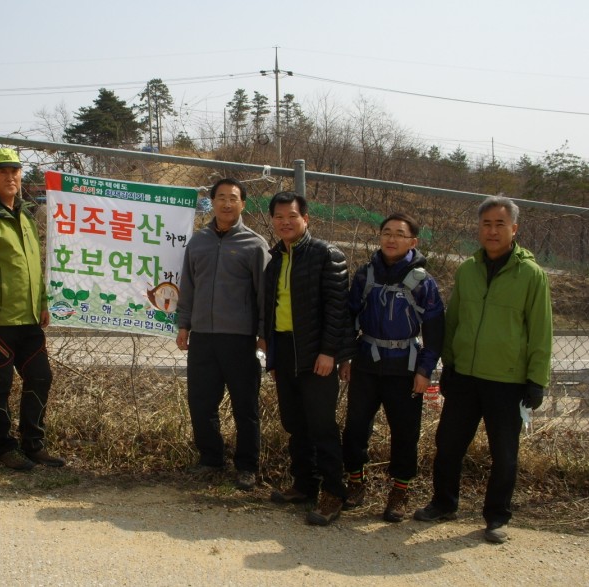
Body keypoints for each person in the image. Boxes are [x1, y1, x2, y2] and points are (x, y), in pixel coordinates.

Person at [414, 196, 553, 544]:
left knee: (503, 453)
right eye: (486, 224)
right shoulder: (468, 270)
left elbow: (541, 331)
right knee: (448, 445)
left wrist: (536, 380)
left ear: (514, 229)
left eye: (499, 224)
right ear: (478, 228)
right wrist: (449, 364)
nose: (492, 231)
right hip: (465, 376)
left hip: (508, 380)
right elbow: (454, 320)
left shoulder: (531, 275)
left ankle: (496, 516)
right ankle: (444, 503)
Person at [0, 147, 63, 470]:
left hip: (28, 319)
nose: (10, 176)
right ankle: (4, 447)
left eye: (15, 170)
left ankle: (34, 443)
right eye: (2, 171)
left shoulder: (26, 216)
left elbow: (35, 266)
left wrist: (42, 303)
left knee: (40, 377)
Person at [339, 213, 444, 522]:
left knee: (405, 432)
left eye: (399, 234)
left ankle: (399, 490)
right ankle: (355, 482)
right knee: (355, 427)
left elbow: (435, 330)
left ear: (413, 242)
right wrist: (346, 357)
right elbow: (348, 317)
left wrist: (424, 371)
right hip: (366, 362)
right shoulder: (365, 275)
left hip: (404, 367)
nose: (391, 239)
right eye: (386, 232)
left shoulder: (423, 282)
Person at [262, 191, 352, 526]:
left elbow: (338, 308)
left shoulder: (326, 254)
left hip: (317, 353)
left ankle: (334, 492)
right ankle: (304, 484)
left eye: (292, 216)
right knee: (295, 423)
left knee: (321, 425)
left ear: (306, 219)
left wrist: (329, 352)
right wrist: (272, 355)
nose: (285, 222)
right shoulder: (275, 259)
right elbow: (271, 309)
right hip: (285, 350)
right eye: (279, 217)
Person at [175, 178, 270, 490]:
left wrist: (262, 333)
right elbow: (188, 287)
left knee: (245, 406)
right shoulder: (198, 242)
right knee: (201, 402)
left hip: (240, 338)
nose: (227, 204)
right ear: (212, 202)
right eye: (221, 198)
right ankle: (211, 458)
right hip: (203, 336)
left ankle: (247, 467)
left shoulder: (255, 244)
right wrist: (184, 325)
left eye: (233, 198)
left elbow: (264, 295)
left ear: (243, 204)